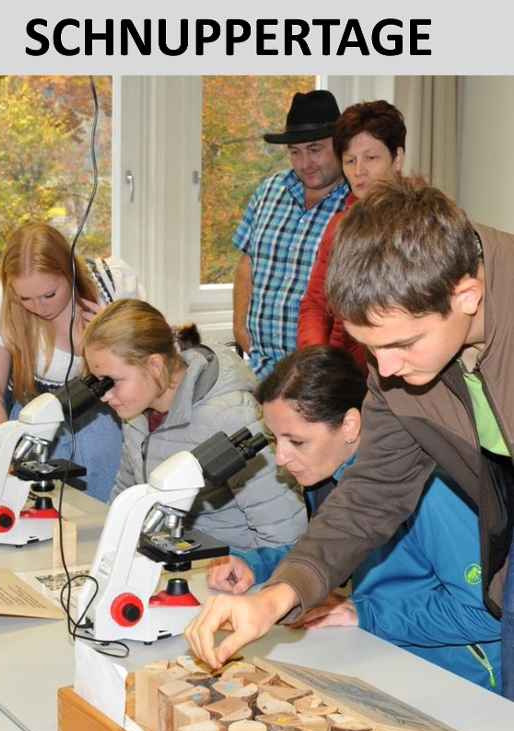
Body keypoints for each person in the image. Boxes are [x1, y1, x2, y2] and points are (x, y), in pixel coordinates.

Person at [185, 178, 514, 703]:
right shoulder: (397, 365)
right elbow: (371, 495)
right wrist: (277, 597)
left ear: (467, 296)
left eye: (403, 343)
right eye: (370, 347)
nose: (384, 370)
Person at [207, 347, 501, 692]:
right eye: (275, 440)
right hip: (385, 653)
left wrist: (368, 614)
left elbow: (486, 613)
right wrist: (258, 564)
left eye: (297, 441)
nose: (282, 458)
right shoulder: (330, 476)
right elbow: (334, 552)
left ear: (350, 425)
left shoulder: (433, 489)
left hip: (460, 681)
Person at [82, 298, 307, 550]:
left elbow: (285, 534)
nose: (104, 395)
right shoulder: (137, 413)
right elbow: (127, 494)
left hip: (233, 569)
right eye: (98, 382)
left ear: (155, 365)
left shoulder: (231, 416)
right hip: (174, 557)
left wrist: (244, 574)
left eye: (111, 381)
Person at [0, 222, 145, 502]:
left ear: (70, 273)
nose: (39, 307)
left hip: (106, 432)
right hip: (33, 435)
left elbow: (148, 371)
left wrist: (107, 338)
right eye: (25, 298)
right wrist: (1, 462)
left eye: (49, 294)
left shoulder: (112, 284)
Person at [232, 89, 350, 379]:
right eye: (295, 152)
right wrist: (239, 328)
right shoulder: (269, 190)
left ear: (339, 145)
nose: (305, 163)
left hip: (320, 374)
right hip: (259, 367)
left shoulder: (355, 205)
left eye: (315, 149)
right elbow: (247, 262)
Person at [297, 100, 406, 368]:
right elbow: (315, 305)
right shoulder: (339, 226)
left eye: (371, 158)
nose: (359, 171)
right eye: (350, 160)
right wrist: (317, 362)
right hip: (343, 375)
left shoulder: (421, 223)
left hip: (400, 371)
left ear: (397, 158)